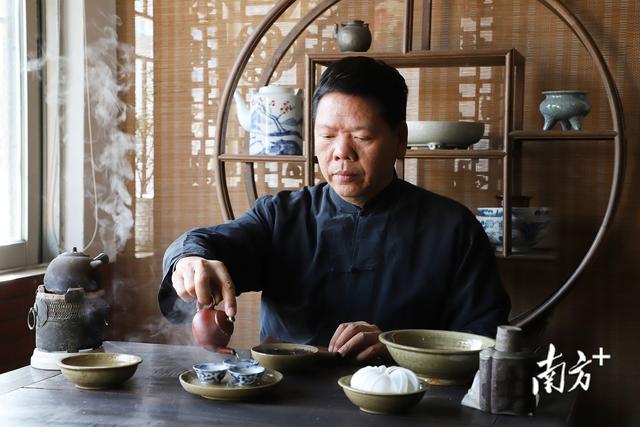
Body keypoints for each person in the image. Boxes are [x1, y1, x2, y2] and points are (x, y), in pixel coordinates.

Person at [159, 56, 510, 363]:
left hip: (407, 402)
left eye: (361, 136)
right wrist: (189, 261)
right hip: (286, 396)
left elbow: (483, 339)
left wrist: (397, 345)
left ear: (400, 140)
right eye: (327, 136)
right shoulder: (281, 216)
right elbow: (210, 243)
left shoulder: (452, 228)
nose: (341, 152)